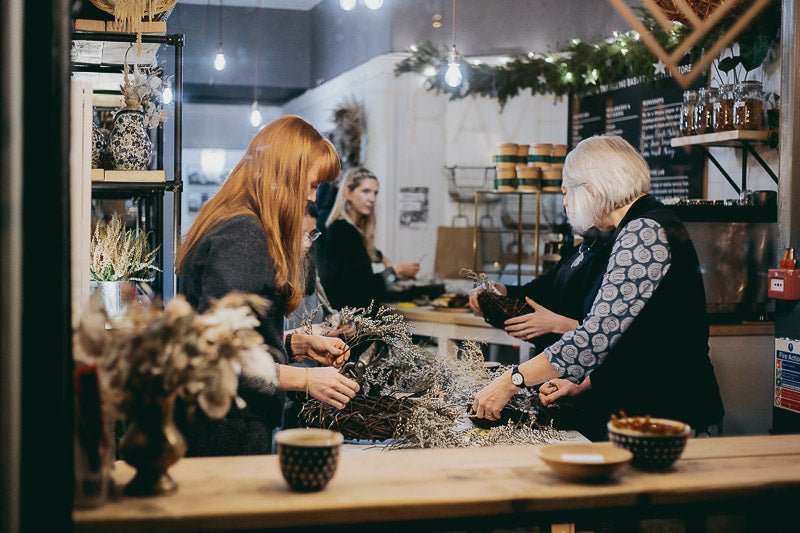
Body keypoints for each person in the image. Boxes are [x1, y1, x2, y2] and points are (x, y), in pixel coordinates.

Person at [472, 135, 724, 439]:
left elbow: (595, 336)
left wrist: (510, 381)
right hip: (650, 410)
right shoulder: (634, 228)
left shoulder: (643, 232)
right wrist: (585, 383)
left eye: (567, 192)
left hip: (671, 418)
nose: (565, 203)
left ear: (591, 189)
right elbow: (640, 338)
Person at [175, 115, 360, 456]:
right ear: (285, 174)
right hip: (223, 428)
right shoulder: (243, 235)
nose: (312, 200)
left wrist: (294, 344)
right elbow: (218, 358)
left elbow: (238, 338)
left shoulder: (235, 221)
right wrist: (305, 380)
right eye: (312, 185)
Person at [468, 226, 614, 353]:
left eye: (569, 194)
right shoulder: (582, 247)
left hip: (577, 372)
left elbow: (605, 330)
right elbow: (541, 289)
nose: (566, 202)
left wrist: (557, 325)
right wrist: (503, 290)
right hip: (549, 360)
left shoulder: (611, 252)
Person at [318, 167, 420, 310]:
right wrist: (395, 271)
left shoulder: (350, 230)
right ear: (347, 193)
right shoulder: (344, 231)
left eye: (375, 193)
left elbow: (357, 280)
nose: (372, 199)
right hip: (350, 323)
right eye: (365, 191)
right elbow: (360, 289)